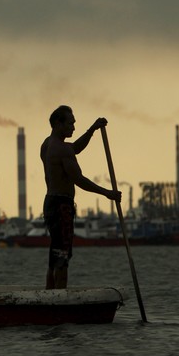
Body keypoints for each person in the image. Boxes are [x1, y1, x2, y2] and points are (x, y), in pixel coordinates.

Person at [41, 105, 121, 289]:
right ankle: (58, 300)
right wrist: (107, 193)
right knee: (62, 257)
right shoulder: (61, 149)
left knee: (55, 256)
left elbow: (75, 148)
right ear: (57, 123)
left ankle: (50, 295)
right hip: (62, 206)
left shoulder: (47, 144)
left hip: (51, 203)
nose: (73, 127)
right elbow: (79, 180)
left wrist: (92, 130)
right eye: (70, 123)